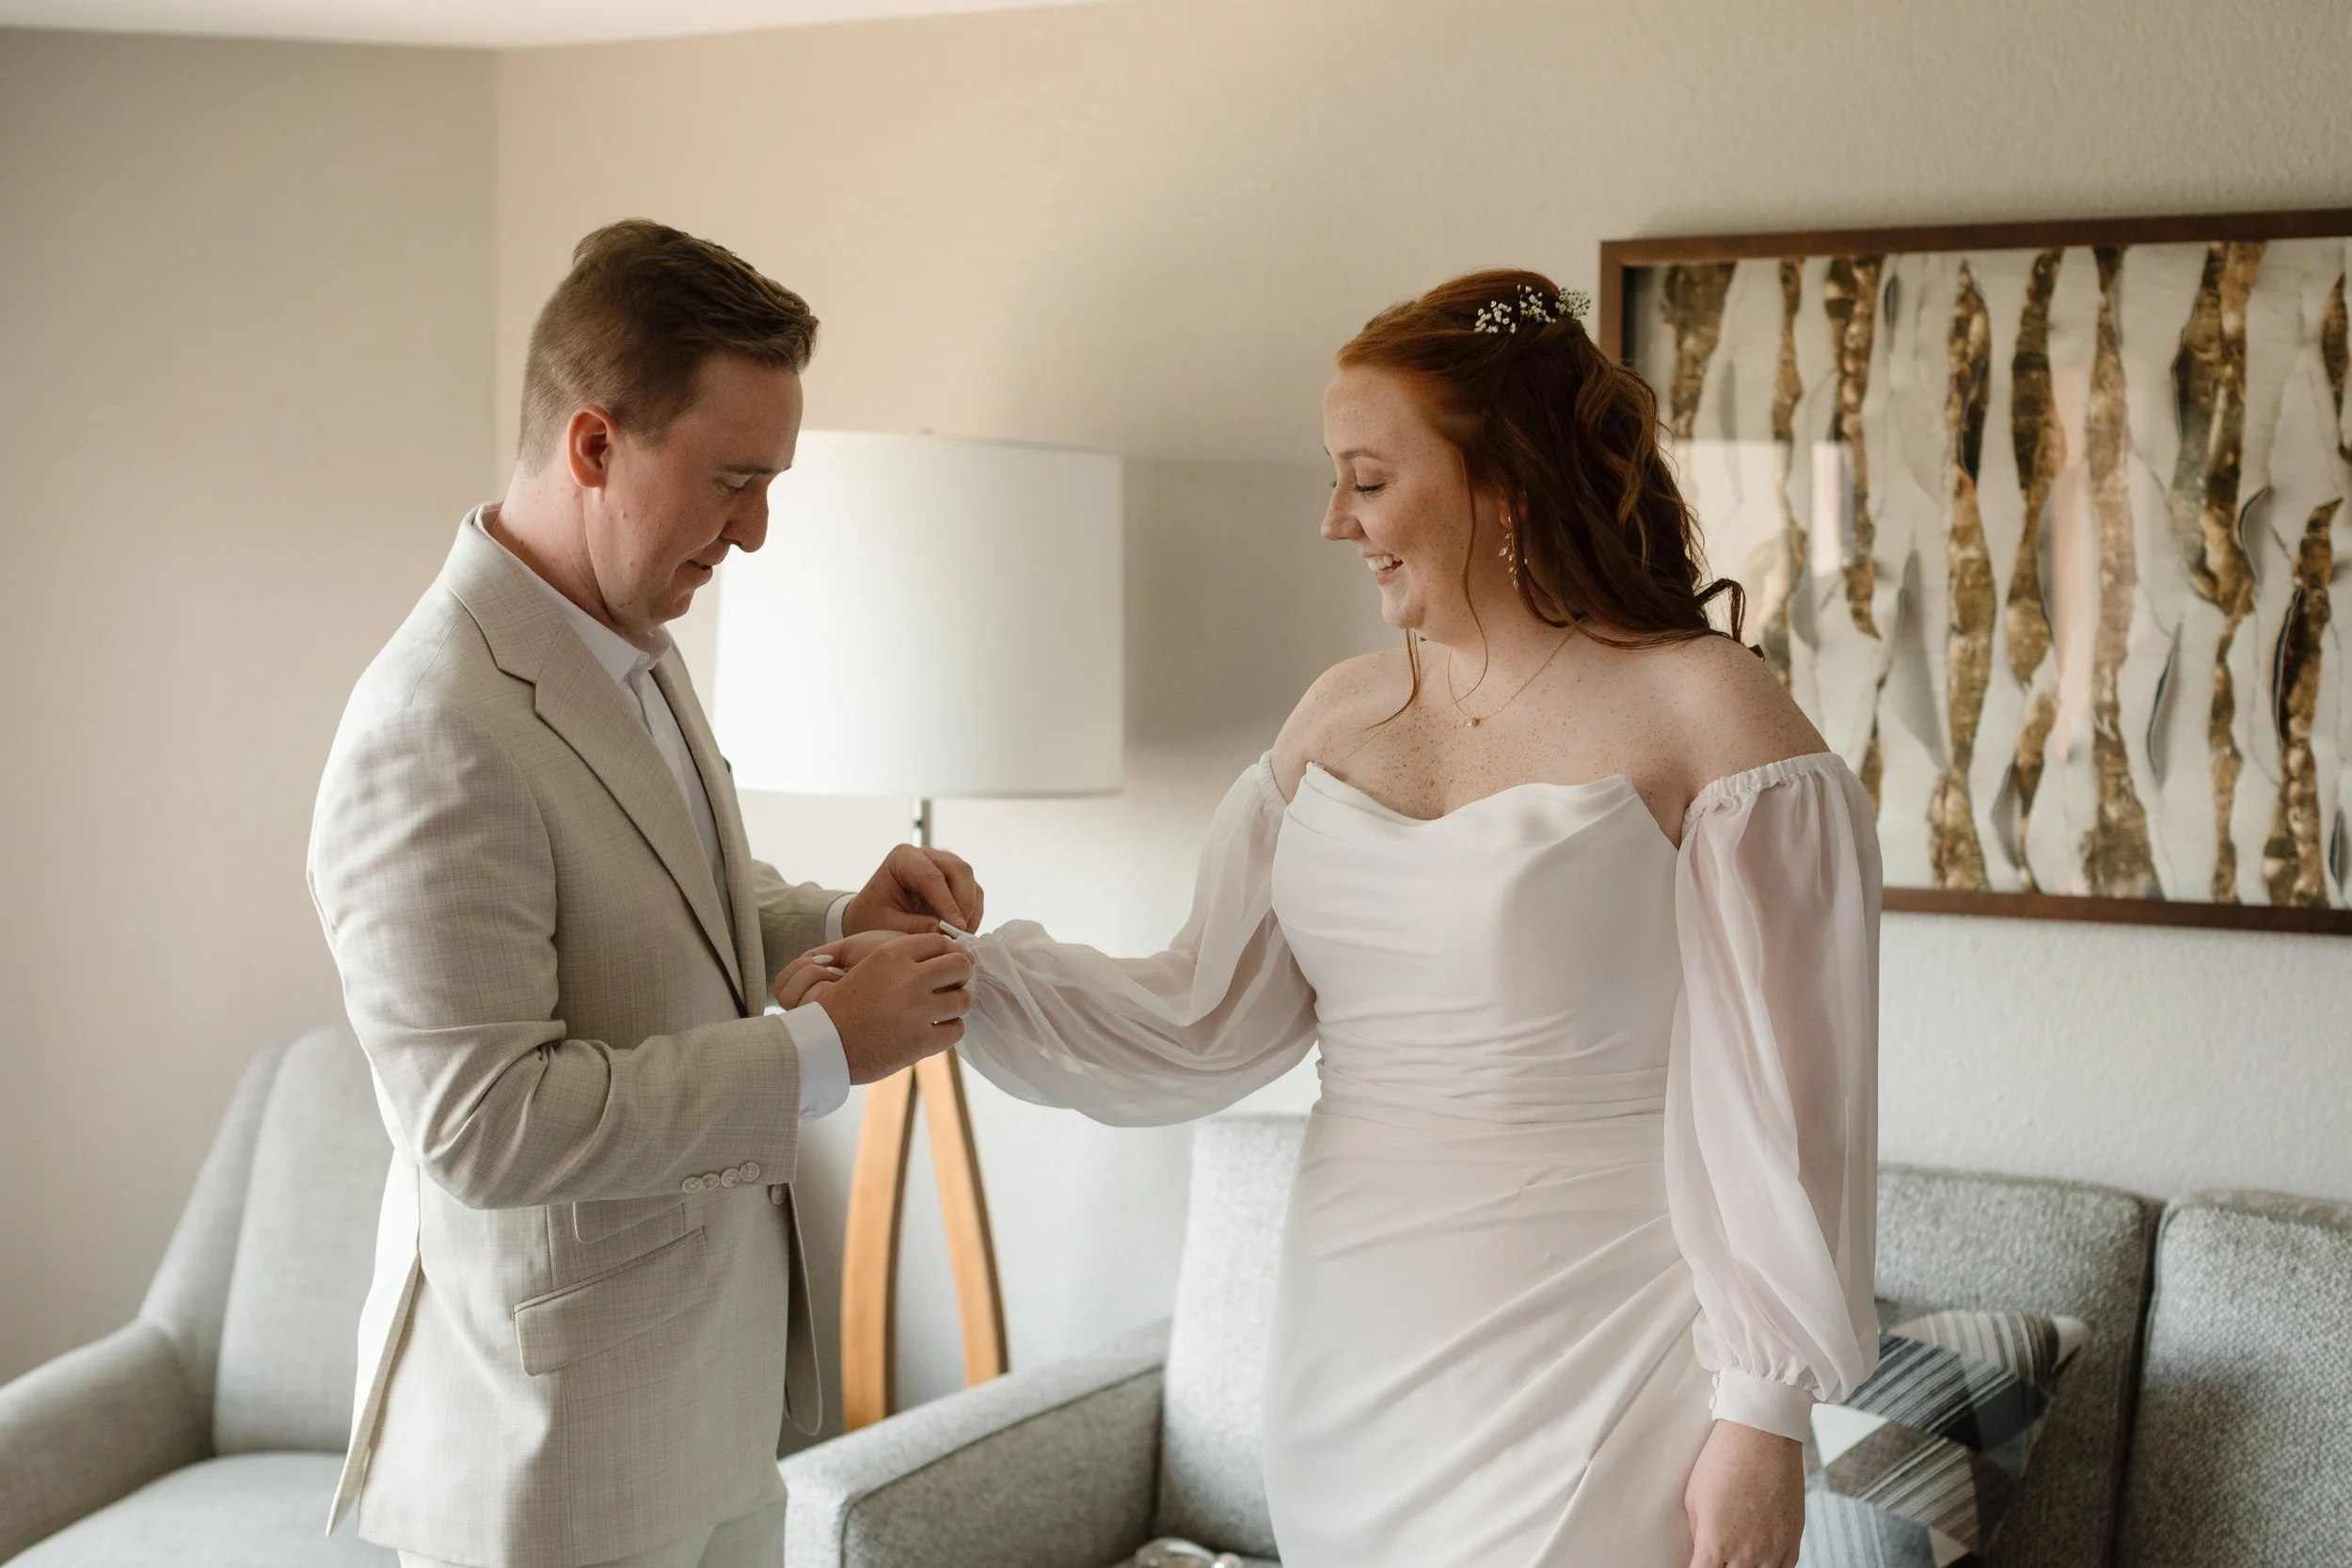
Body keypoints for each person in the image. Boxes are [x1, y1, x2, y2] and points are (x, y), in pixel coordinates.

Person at [790, 270, 1881, 1568]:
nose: (1333, 520)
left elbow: (1795, 1104)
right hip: (1351, 1357)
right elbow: (1198, 1010)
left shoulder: (1709, 713)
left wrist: (1762, 1415)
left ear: (1506, 482)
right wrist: (948, 977)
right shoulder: (1339, 715)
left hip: (1606, 1355)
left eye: (1367, 479)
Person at [308, 219, 981, 1568]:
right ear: (595, 446)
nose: (758, 532)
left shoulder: (634, 637)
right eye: (735, 480)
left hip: (711, 1404)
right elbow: (486, 1126)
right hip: (553, 1460)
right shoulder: (430, 726)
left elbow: (677, 895)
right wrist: (821, 1052)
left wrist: (837, 919)